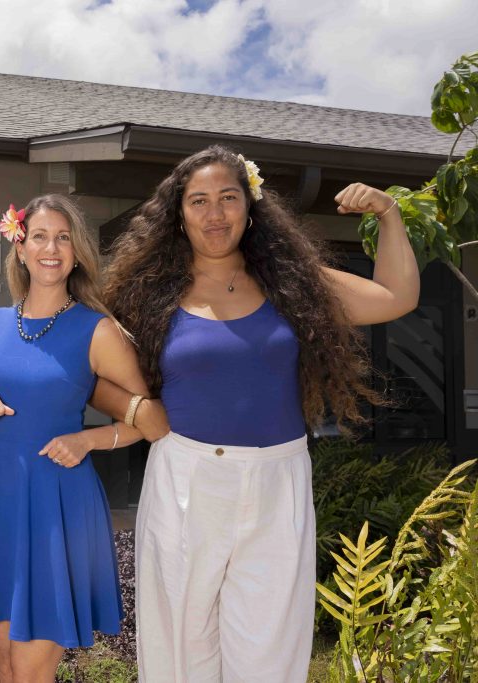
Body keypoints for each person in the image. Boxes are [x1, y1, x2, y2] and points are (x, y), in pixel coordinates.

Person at [102, 145, 420, 682]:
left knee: (269, 652)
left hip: (279, 480)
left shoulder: (295, 286)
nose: (215, 213)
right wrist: (135, 408)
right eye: (198, 200)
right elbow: (89, 372)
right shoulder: (145, 292)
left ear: (251, 208)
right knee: (180, 646)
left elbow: (395, 296)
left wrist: (388, 215)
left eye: (228, 198)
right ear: (178, 213)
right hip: (187, 478)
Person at [0, 195, 169, 682]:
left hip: (56, 507)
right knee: (6, 663)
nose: (51, 248)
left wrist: (90, 441)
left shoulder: (98, 330)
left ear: (77, 251)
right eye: (39, 237)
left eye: (63, 237)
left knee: (30, 670)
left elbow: (152, 419)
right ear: (20, 249)